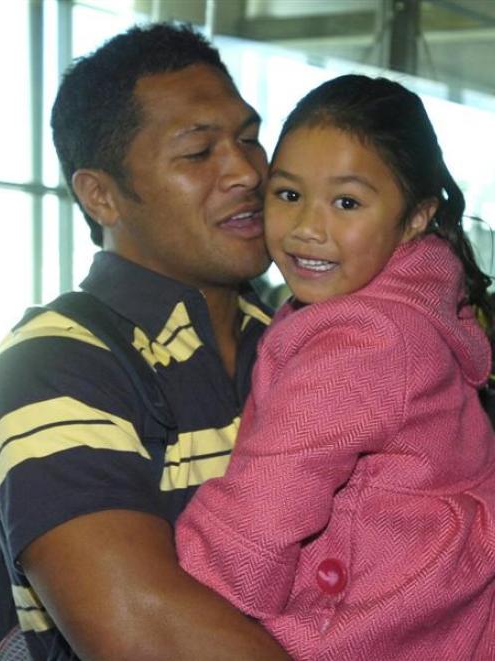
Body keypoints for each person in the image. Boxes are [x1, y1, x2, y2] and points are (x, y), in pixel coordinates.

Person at [0, 22, 291, 661]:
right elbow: (145, 635)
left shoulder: (306, 343)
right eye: (197, 152)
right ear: (101, 195)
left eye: (249, 138)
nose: (246, 171)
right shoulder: (53, 365)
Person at [176, 74, 495, 660]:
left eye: (346, 202)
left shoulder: (364, 340)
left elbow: (263, 512)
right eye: (289, 194)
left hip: (359, 629)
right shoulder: (404, 309)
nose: (307, 229)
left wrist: (169, 610)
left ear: (418, 216)